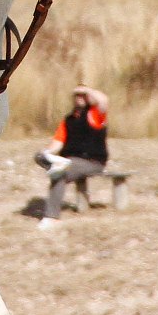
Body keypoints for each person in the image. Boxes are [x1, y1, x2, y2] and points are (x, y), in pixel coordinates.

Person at [36, 86, 110, 227]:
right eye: (77, 95)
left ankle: (52, 217)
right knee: (40, 157)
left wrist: (88, 90)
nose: (80, 97)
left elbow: (104, 101)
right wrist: (46, 153)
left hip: (92, 161)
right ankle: (57, 164)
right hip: (70, 160)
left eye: (83, 95)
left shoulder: (95, 114)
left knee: (59, 173)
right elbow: (57, 143)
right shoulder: (68, 120)